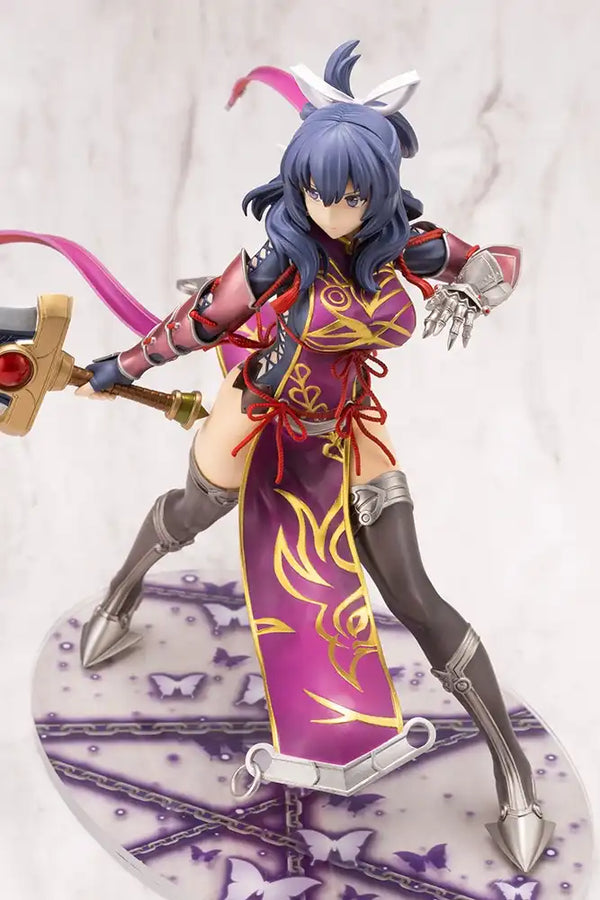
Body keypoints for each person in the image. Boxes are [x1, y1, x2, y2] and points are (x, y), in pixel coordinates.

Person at [2, 40, 552, 873]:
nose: (333, 210)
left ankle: (515, 777)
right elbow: (199, 325)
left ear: (379, 191)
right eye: (318, 191)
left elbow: (497, 265)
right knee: (194, 510)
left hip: (349, 425)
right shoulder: (275, 258)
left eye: (352, 195)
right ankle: (122, 591)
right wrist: (122, 366)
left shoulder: (409, 245)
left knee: (411, 590)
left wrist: (478, 283)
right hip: (263, 410)